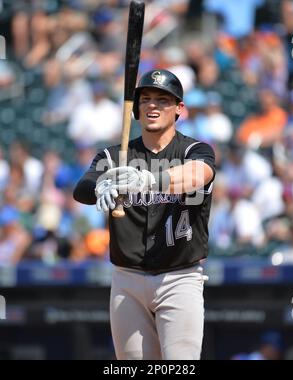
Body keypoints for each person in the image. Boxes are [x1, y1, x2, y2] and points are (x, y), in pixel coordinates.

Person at [73, 69, 215, 360]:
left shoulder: (194, 150)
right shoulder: (114, 157)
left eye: (163, 100)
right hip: (128, 280)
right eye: (146, 99)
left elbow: (198, 175)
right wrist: (102, 183)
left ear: (179, 109)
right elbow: (82, 189)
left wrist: (148, 180)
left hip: (180, 277)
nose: (153, 105)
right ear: (136, 109)